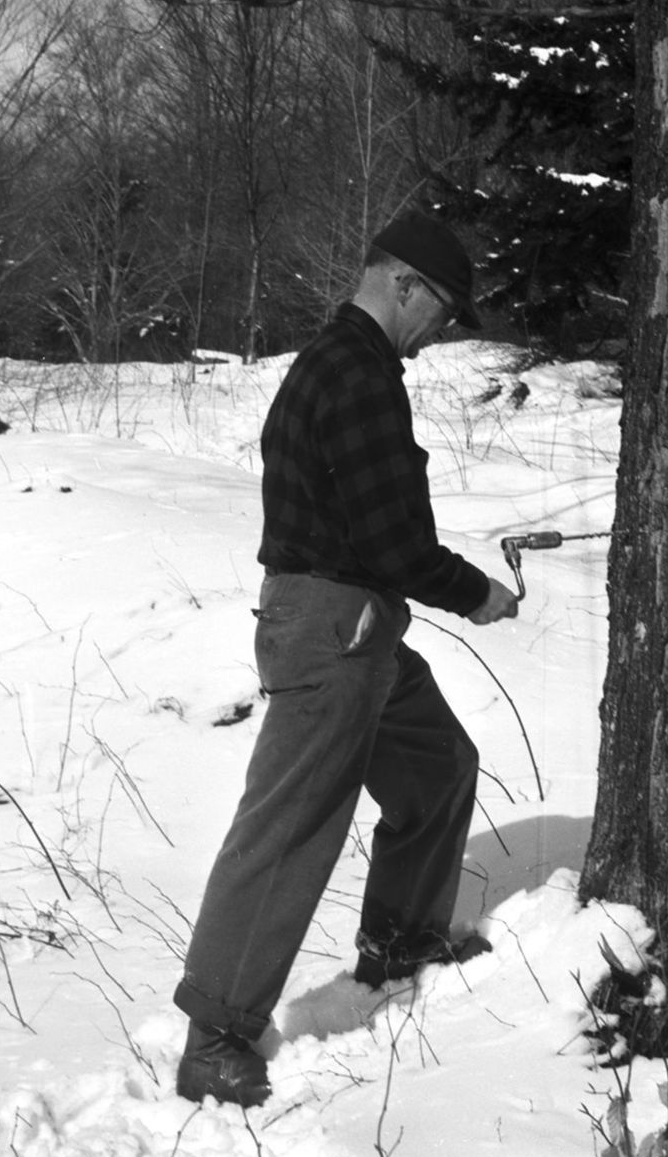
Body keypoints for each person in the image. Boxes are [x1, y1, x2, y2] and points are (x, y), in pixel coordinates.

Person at [174, 208, 519, 1106]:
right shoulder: (359, 378)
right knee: (291, 823)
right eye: (440, 308)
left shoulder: (339, 363)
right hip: (336, 629)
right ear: (401, 282)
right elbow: (395, 543)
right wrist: (477, 592)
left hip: (354, 624)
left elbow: (372, 533)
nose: (440, 330)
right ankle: (216, 1033)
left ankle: (403, 942)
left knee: (439, 763)